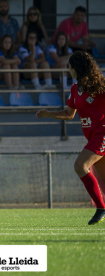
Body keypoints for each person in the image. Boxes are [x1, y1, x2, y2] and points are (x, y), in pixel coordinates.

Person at [36, 51, 105, 225]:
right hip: (92, 137)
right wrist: (48, 114)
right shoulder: (75, 89)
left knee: (80, 165)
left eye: (70, 66)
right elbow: (69, 114)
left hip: (102, 134)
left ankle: (100, 208)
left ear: (77, 68)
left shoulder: (101, 85)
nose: (68, 69)